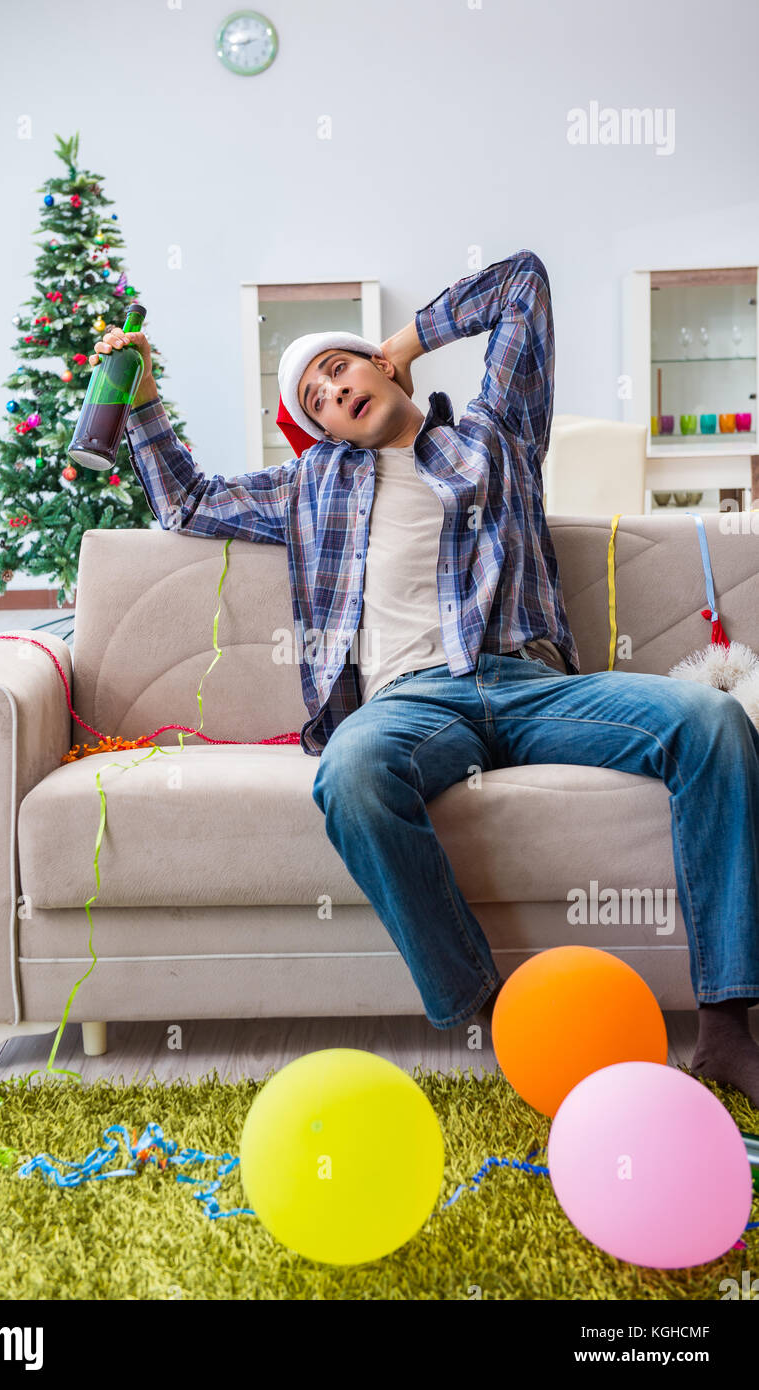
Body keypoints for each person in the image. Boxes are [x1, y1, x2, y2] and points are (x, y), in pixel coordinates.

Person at [94, 248, 759, 1109]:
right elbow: (185, 502)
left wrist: (407, 339)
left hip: (531, 685)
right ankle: (490, 1008)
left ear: (378, 366)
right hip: (410, 705)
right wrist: (140, 400)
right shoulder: (307, 489)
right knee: (352, 773)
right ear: (321, 431)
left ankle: (728, 1029)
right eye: (315, 401)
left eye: (339, 371)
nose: (333, 394)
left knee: (710, 722)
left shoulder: (495, 435)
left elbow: (523, 281)